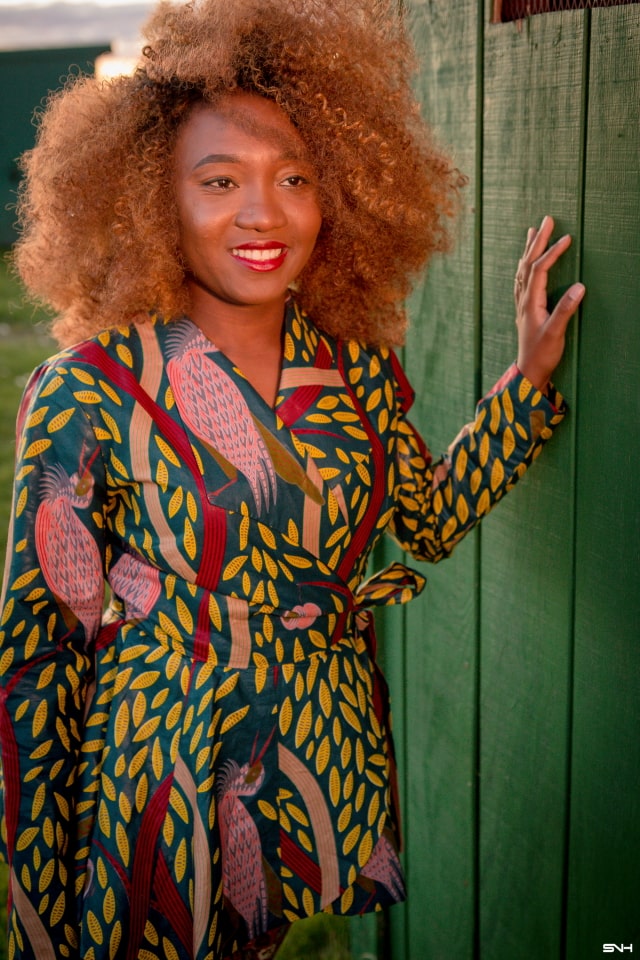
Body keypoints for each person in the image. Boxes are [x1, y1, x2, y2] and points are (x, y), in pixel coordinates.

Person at [0, 0, 585, 958]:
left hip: (310, 752)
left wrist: (524, 387)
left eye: (296, 177)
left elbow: (427, 519)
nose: (264, 213)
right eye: (220, 180)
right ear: (154, 197)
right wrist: (39, 904)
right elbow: (39, 661)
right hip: (159, 775)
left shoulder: (353, 370)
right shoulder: (90, 391)